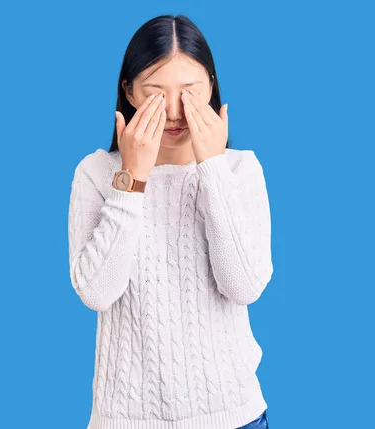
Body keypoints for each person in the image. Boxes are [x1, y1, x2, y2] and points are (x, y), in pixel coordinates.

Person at [68, 14, 272, 429]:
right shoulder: (95, 173)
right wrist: (132, 179)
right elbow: (97, 293)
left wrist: (211, 168)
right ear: (128, 91)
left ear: (211, 86)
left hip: (233, 416)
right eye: (156, 94)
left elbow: (245, 285)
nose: (176, 111)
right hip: (125, 419)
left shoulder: (240, 171)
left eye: (191, 91)